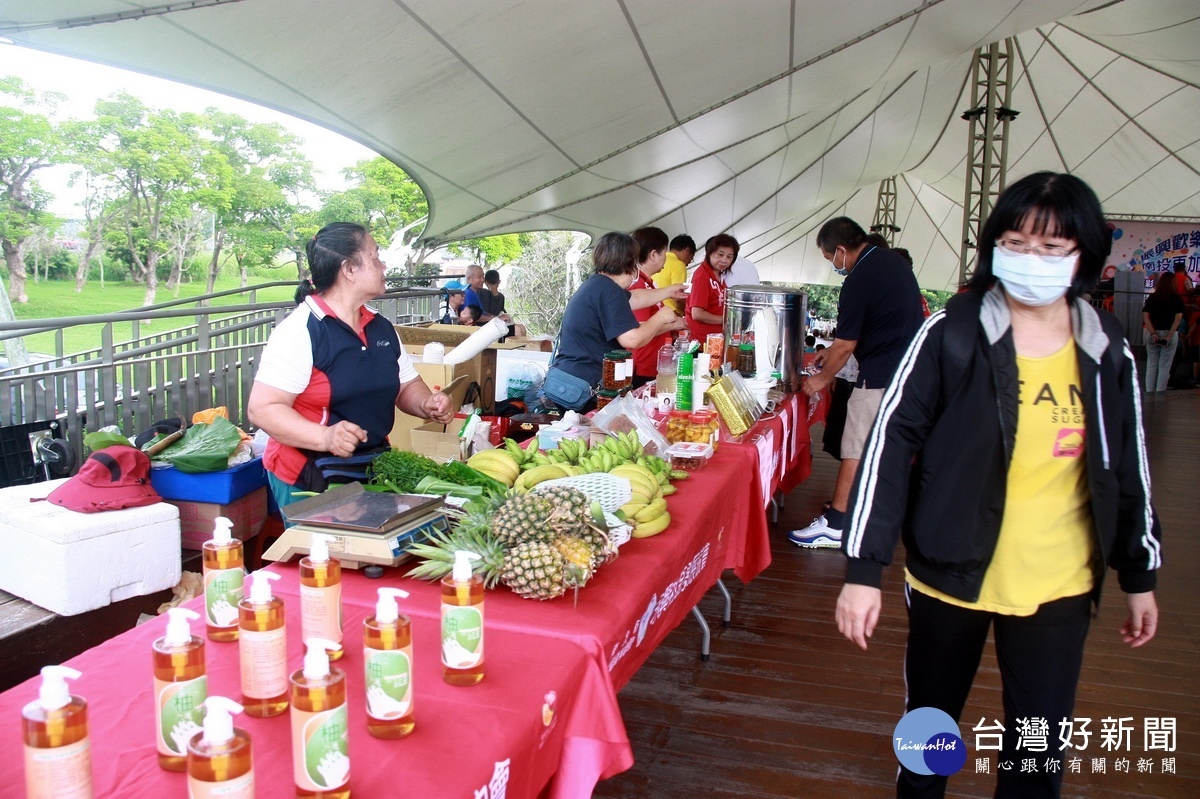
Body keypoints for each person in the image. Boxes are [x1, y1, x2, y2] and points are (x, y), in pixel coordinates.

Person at [835, 172, 1161, 799]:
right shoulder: (951, 333)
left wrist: (1139, 575)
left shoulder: (1105, 347)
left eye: (1052, 248)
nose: (1031, 260)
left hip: (1060, 585)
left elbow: (1129, 462)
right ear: (993, 248)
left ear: (1083, 258)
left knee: (1037, 749)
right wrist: (862, 570)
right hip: (948, 575)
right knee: (930, 728)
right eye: (1015, 242)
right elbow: (889, 443)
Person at [248, 222, 455, 511]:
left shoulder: (380, 327)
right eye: (375, 257)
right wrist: (325, 436)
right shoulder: (301, 331)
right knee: (323, 556)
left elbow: (406, 385)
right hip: (310, 476)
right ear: (349, 269)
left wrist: (427, 404)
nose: (383, 266)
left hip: (370, 467)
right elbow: (263, 409)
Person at [790, 217, 924, 548]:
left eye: (829, 258)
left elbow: (848, 343)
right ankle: (859, 508)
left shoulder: (859, 277)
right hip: (907, 370)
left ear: (840, 250)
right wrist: (831, 353)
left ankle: (836, 523)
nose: (834, 265)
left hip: (881, 375)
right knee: (879, 447)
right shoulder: (890, 260)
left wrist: (820, 380)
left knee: (855, 445)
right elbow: (866, 330)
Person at [545, 232, 685, 411]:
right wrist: (661, 317)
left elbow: (635, 298)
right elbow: (632, 339)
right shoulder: (610, 291)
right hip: (584, 387)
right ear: (630, 262)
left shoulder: (598, 285)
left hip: (570, 380)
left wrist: (669, 291)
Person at [629, 227, 689, 388]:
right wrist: (675, 324)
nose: (666, 258)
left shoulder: (649, 285)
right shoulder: (638, 285)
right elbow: (639, 330)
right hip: (642, 363)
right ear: (653, 254)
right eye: (664, 253)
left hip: (653, 361)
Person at [685, 234, 738, 340]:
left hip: (715, 339)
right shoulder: (702, 276)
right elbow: (697, 314)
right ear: (710, 253)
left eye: (729, 257)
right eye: (720, 254)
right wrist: (726, 319)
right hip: (701, 341)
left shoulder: (718, 275)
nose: (724, 260)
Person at [1141, 271, 1184, 393]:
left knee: (1151, 363)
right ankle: (1160, 394)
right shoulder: (1177, 299)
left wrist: (1153, 333)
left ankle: (1149, 392)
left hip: (1153, 333)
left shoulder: (1152, 297)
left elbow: (1145, 316)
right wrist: (1169, 335)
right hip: (1170, 334)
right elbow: (1178, 318)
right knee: (1165, 366)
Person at [653, 235, 696, 315]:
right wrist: (687, 312)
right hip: (670, 314)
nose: (689, 262)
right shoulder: (678, 264)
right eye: (691, 258)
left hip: (655, 311)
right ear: (687, 250)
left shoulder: (659, 260)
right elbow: (679, 297)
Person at [480, 269, 526, 337]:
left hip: (495, 322)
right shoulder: (486, 294)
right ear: (499, 282)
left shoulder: (486, 294)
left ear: (485, 282)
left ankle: (522, 347)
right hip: (489, 324)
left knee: (521, 327)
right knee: (518, 329)